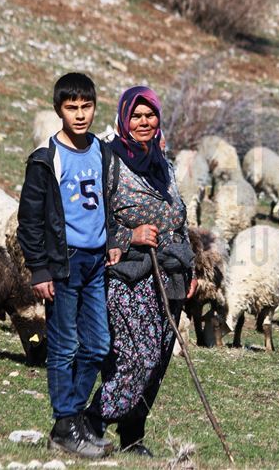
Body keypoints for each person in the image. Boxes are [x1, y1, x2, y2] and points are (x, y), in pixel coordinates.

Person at [85, 86, 197, 457]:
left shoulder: (164, 164)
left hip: (170, 279)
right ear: (123, 118)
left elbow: (179, 220)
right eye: (137, 115)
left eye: (150, 115)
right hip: (128, 276)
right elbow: (88, 221)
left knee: (158, 364)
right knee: (138, 358)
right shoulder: (108, 162)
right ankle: (91, 423)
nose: (145, 122)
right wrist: (128, 235)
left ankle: (132, 435)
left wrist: (191, 265)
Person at [17, 72, 114, 459]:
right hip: (65, 262)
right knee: (64, 346)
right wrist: (39, 269)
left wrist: (116, 243)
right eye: (71, 108)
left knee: (98, 345)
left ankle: (69, 421)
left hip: (96, 262)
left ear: (94, 107)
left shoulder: (103, 153)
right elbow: (30, 220)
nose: (79, 115)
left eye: (85, 107)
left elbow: (110, 202)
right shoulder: (45, 159)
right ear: (59, 110)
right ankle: (65, 425)